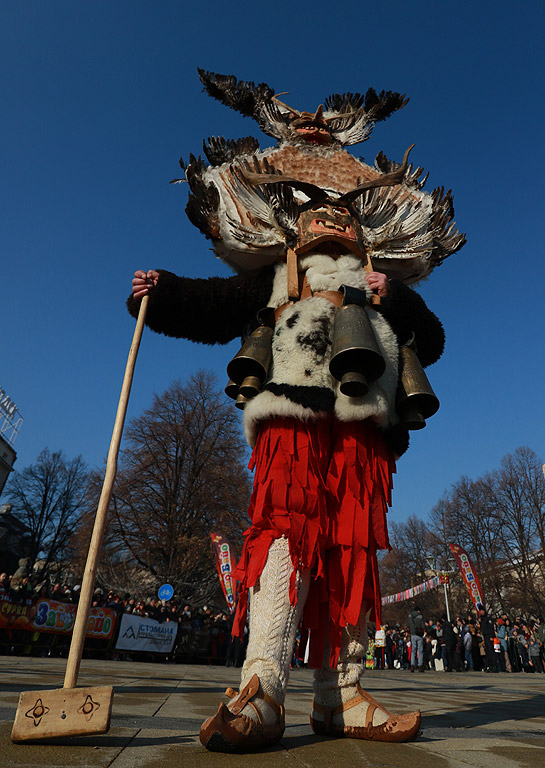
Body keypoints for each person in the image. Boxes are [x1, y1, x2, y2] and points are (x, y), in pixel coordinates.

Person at [126, 71, 462, 753]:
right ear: (293, 225)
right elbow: (210, 308)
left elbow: (430, 342)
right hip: (290, 417)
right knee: (284, 531)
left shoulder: (378, 284)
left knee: (353, 546)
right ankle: (262, 686)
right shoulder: (272, 275)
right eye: (315, 214)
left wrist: (393, 296)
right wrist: (156, 294)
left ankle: (341, 694)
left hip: (365, 425)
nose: (329, 219)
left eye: (340, 215)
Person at [407, 605, 425, 672]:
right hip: (419, 635)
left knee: (413, 651)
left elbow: (408, 625)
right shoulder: (420, 616)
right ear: (418, 610)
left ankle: (412, 665)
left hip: (412, 635)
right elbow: (423, 626)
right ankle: (420, 666)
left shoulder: (409, 616)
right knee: (420, 651)